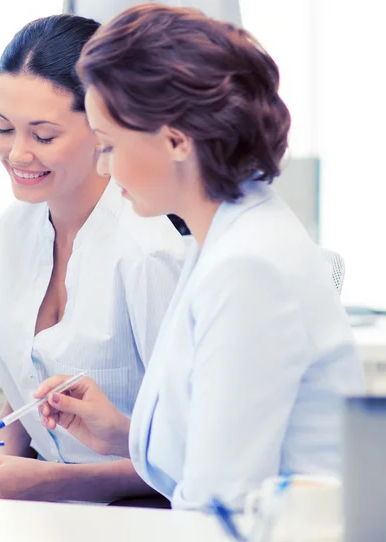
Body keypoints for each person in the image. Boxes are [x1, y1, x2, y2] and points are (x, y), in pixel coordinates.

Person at [36, 4, 364, 509]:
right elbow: (215, 451)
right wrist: (122, 435)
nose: (103, 165)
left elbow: (219, 501)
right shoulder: (222, 238)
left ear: (175, 140)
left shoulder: (248, 267)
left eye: (108, 144)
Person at [0, 14, 187, 502]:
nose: (17, 154)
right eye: (3, 128)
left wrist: (47, 481)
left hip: (147, 516)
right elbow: (20, 397)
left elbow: (193, 456)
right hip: (42, 510)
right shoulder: (14, 230)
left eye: (43, 135)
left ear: (103, 127)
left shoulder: (147, 252)